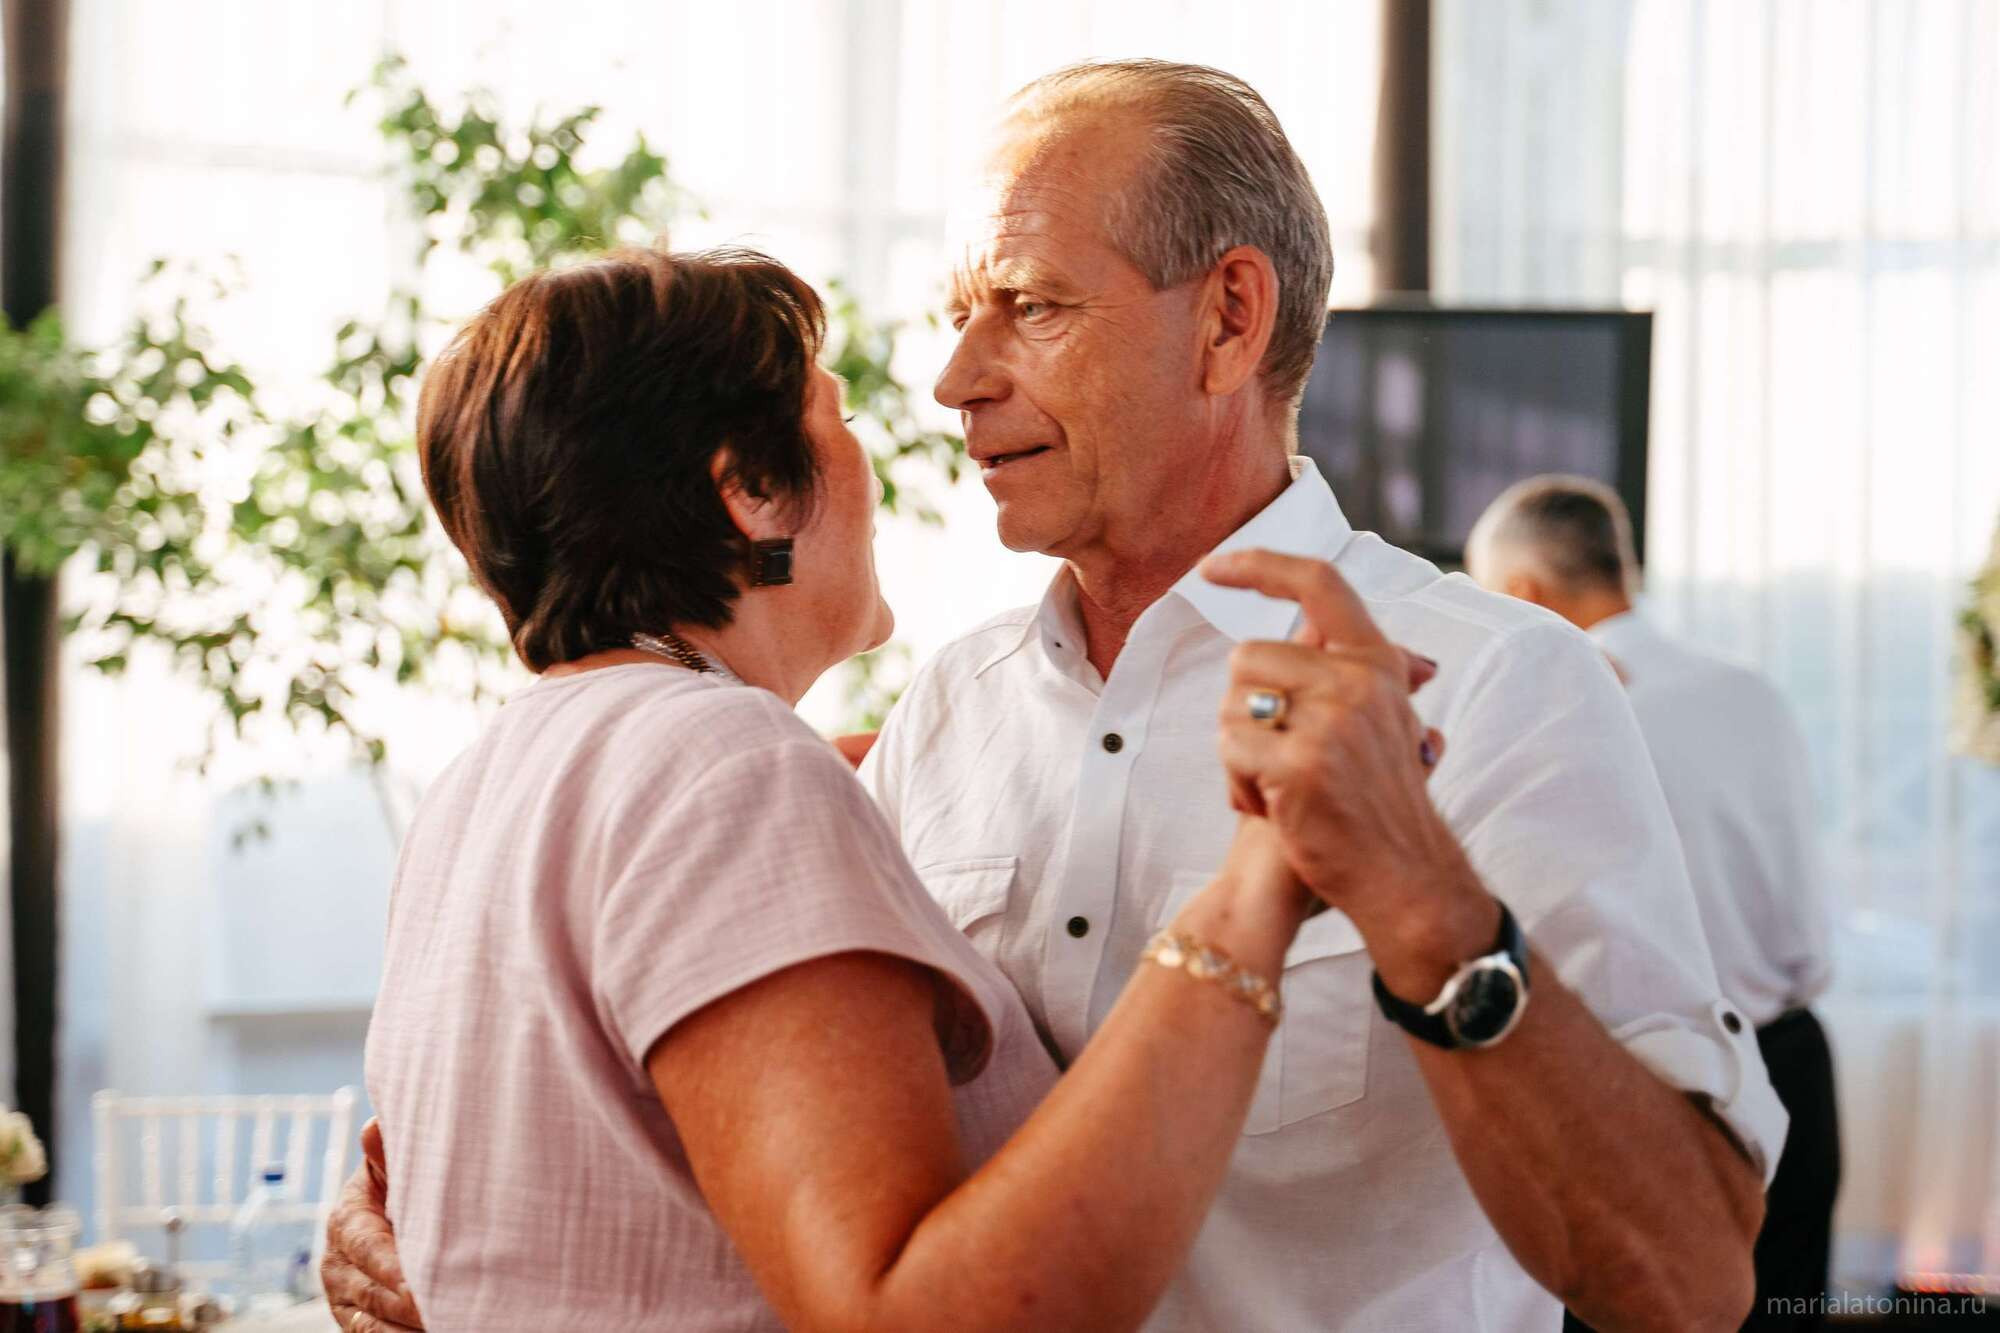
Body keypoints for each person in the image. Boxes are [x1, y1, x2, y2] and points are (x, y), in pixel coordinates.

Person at [328, 61, 1783, 1332]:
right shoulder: (937, 719)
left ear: (1228, 319)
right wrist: (444, 1227)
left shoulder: (1505, 691)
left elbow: (1689, 1285)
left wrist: (1423, 902)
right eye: (961, 314)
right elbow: (798, 1175)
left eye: (1026, 307)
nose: (954, 380)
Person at [343, 242, 1456, 1331]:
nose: (928, 413)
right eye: (840, 424)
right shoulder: (722, 768)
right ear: (753, 493)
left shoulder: (490, 782)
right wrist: (1259, 880)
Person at [1468, 474, 1840, 1331]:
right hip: (1794, 1064)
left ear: (1522, 592)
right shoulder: (1752, 691)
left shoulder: (1549, 706)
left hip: (1638, 1097)